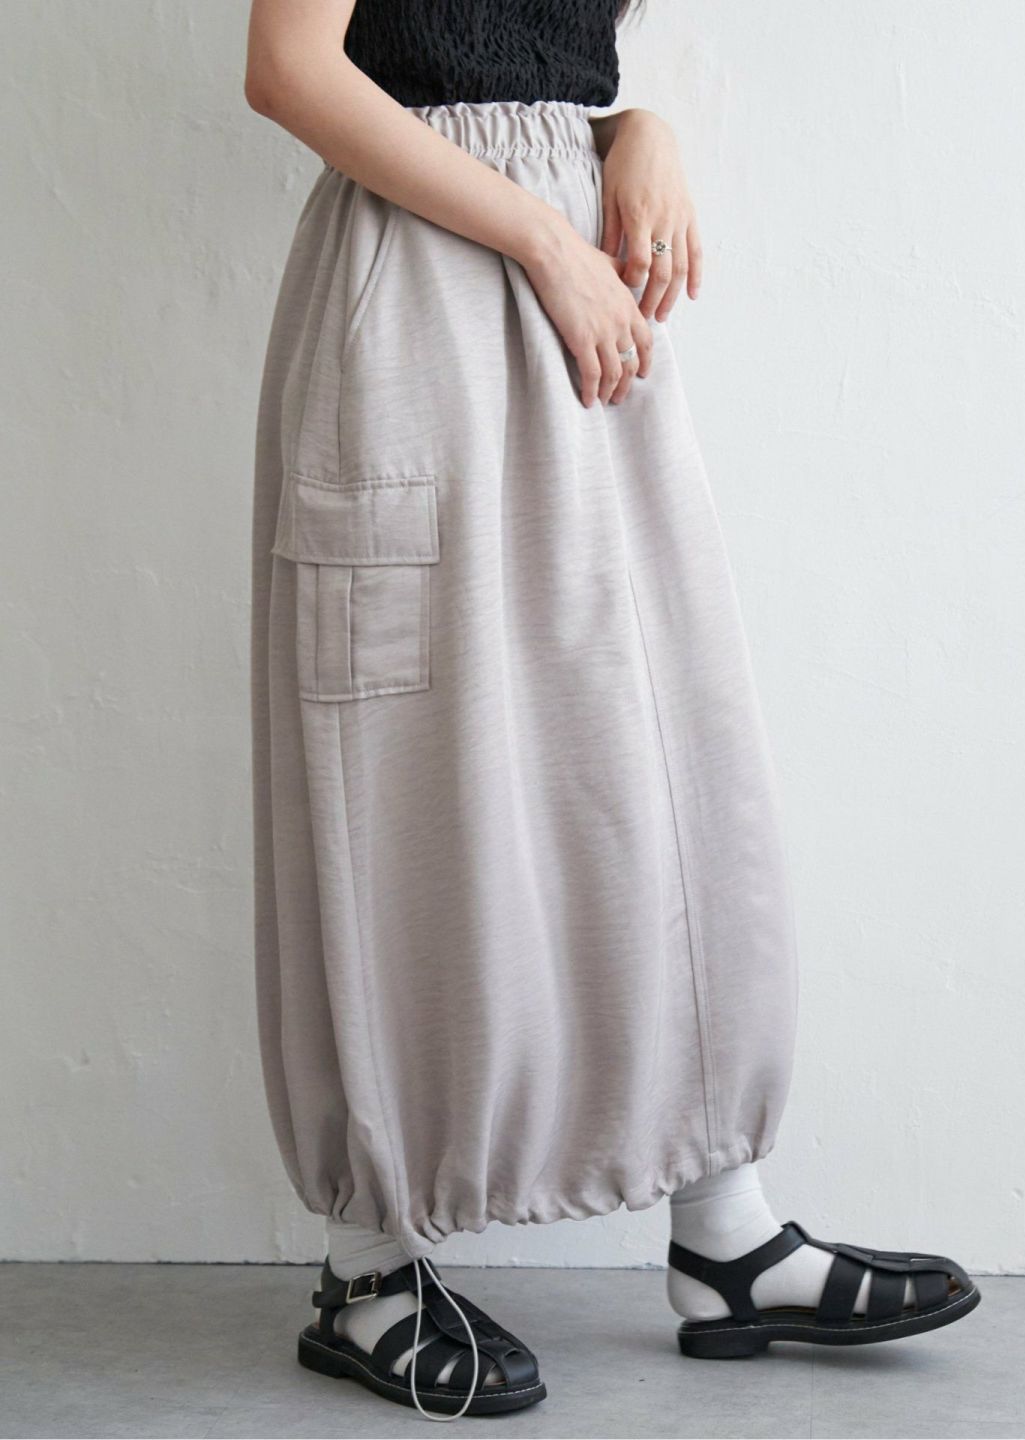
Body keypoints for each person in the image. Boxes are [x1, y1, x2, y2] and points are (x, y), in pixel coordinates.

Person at [244, 0, 979, 1420]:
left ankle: (726, 1236)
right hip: (422, 294)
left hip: (578, 293)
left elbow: (531, 50)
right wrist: (543, 238)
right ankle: (365, 1267)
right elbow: (290, 69)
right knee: (400, 771)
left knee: (658, 750)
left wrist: (633, 127)